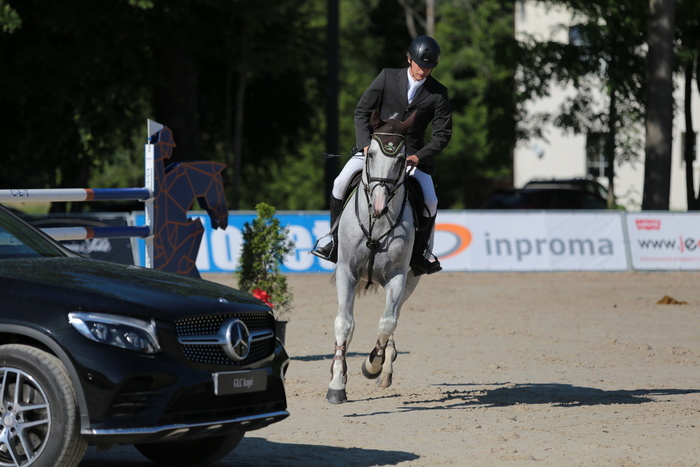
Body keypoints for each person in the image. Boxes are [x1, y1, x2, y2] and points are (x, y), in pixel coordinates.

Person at [312, 35, 452, 275]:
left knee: (431, 200)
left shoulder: (438, 93)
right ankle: (333, 241)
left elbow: (442, 135)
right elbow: (361, 111)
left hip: (411, 155)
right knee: (340, 182)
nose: (423, 70)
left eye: (429, 67)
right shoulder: (387, 77)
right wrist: (365, 145)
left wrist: (419, 157)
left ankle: (420, 254)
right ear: (409, 59)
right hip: (375, 149)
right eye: (420, 64)